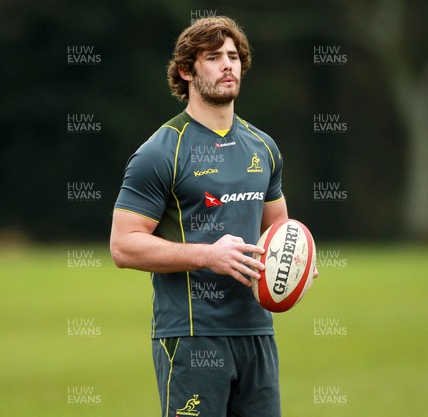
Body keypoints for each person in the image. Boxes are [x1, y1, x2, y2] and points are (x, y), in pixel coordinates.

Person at [110, 16, 317, 417]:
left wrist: (299, 264)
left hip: (256, 331)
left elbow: (280, 231)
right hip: (192, 335)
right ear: (186, 71)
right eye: (213, 57)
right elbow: (123, 246)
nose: (228, 65)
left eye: (234, 56)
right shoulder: (160, 151)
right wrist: (208, 255)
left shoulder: (264, 147)